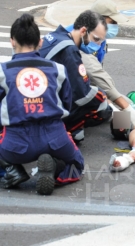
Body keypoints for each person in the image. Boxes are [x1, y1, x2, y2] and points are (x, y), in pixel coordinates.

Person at [0, 14, 84, 195]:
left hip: (15, 145)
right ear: (40, 42)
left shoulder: (2, 71)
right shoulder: (57, 69)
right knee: (77, 163)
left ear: (12, 42)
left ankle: (10, 170)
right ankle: (54, 168)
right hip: (55, 139)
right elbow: (67, 104)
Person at [64, 0, 135, 128]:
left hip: (85, 85)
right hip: (70, 93)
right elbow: (95, 74)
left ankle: (125, 127)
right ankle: (123, 127)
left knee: (124, 103)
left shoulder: (98, 36)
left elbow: (99, 79)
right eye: (112, 22)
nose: (115, 26)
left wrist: (118, 103)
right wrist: (121, 107)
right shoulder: (74, 38)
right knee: (110, 109)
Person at [39, 10, 113, 143]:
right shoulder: (69, 50)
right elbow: (83, 94)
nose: (96, 46)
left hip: (30, 103)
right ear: (83, 31)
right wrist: (107, 100)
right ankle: (63, 131)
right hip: (44, 109)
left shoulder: (56, 36)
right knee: (102, 104)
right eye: (95, 39)